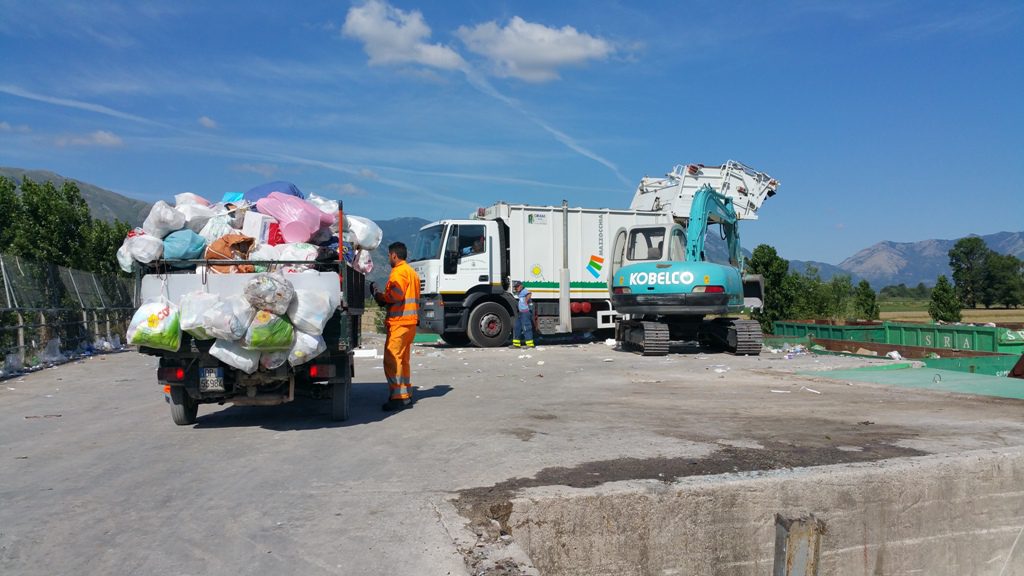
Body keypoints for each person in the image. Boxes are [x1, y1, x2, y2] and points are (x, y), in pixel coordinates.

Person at [372, 242, 421, 411]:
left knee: (392, 360)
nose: (388, 258)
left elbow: (397, 295)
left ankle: (399, 397)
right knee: (403, 360)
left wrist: (380, 296)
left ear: (394, 255)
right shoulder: (412, 272)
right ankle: (406, 394)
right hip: (410, 323)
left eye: (388, 255)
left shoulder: (399, 272)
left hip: (399, 323)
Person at [511, 280, 534, 348]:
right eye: (515, 287)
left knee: (526, 327)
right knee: (517, 327)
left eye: (517, 287)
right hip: (521, 312)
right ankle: (516, 344)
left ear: (521, 286)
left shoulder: (524, 291)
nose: (516, 288)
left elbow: (529, 293)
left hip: (525, 312)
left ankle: (530, 344)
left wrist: (526, 300)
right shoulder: (520, 292)